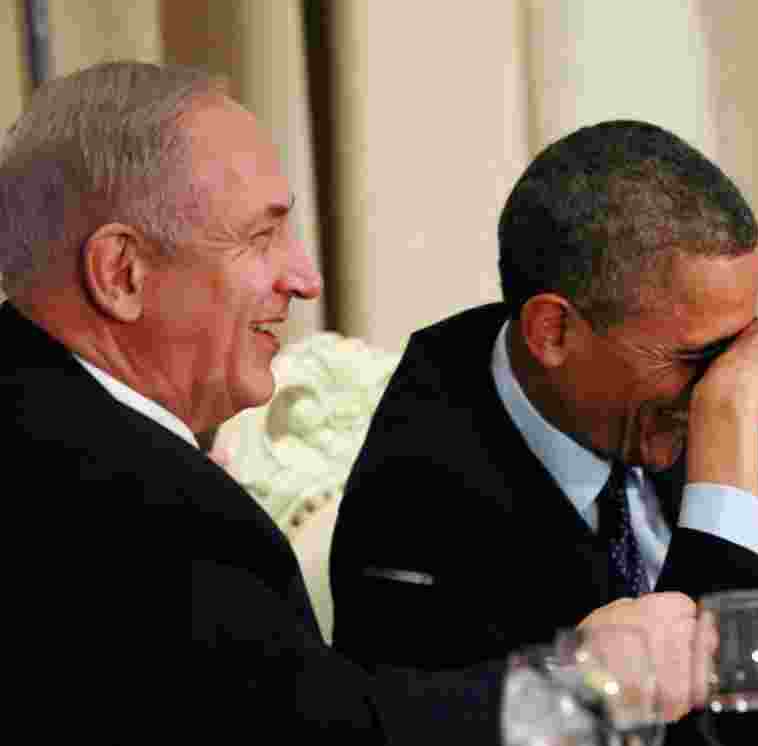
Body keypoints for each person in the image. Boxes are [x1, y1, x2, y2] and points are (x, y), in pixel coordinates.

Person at [0, 64, 709, 743]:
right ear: (122, 272)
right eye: (261, 236)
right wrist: (580, 687)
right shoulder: (128, 501)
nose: (304, 278)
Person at [329, 120, 758, 739]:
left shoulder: (689, 371)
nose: (728, 381)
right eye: (697, 359)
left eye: (740, 345)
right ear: (553, 332)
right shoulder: (417, 499)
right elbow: (705, 731)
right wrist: (725, 460)